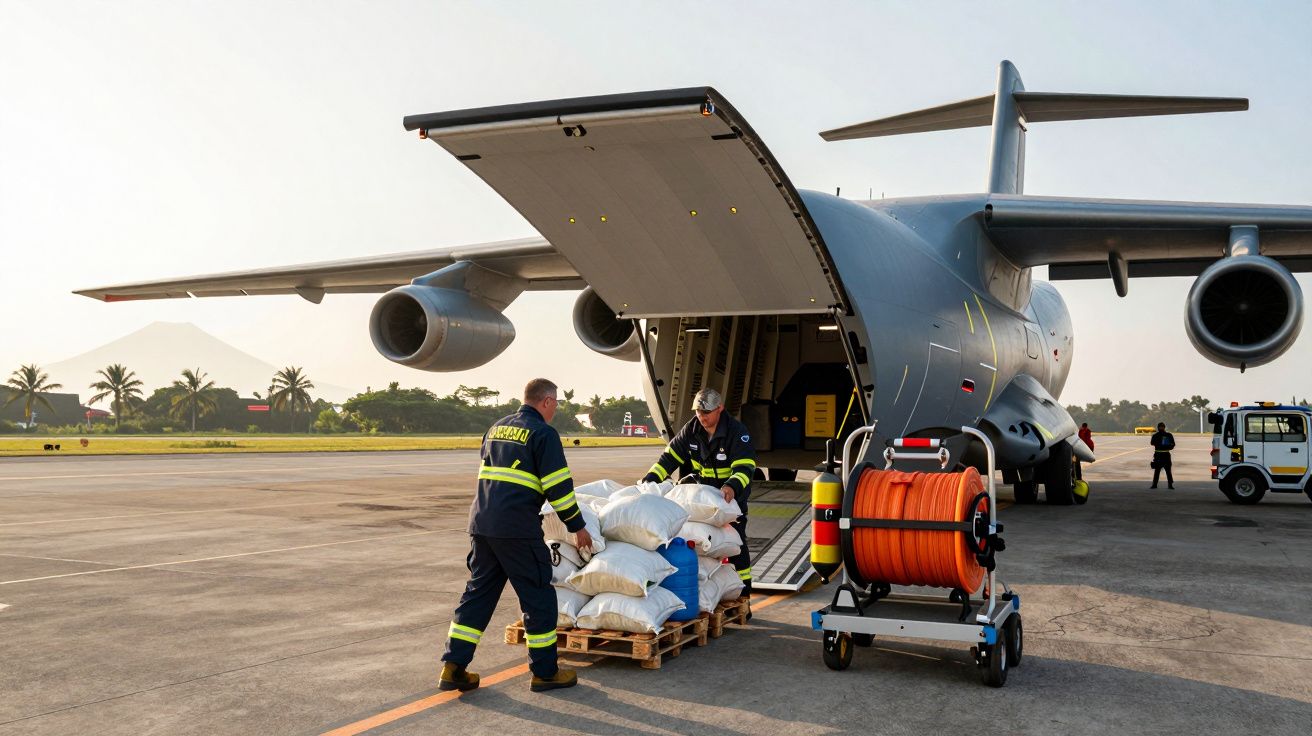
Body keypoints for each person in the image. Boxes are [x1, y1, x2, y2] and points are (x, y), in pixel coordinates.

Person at [439, 378, 593, 693]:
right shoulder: (543, 434)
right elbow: (559, 489)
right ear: (548, 401)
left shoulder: (495, 428)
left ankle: (453, 667)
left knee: (478, 596)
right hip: (517, 529)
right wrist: (577, 527)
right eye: (556, 404)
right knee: (539, 599)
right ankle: (546, 673)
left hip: (482, 525)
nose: (555, 410)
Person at [642, 388, 757, 594]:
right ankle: (710, 592)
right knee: (700, 545)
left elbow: (745, 467)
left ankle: (744, 593)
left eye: (707, 413)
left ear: (720, 409)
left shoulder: (737, 432)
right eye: (698, 412)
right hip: (702, 501)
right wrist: (650, 479)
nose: (702, 417)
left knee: (736, 548)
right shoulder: (691, 429)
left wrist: (732, 486)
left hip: (730, 501)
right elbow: (669, 458)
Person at [1149, 421, 1176, 489]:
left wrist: (1168, 445)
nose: (1161, 428)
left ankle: (1170, 485)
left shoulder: (1168, 435)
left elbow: (1173, 444)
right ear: (1158, 428)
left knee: (1168, 471)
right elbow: (1152, 443)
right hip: (1159, 454)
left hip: (1165, 454)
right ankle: (1154, 484)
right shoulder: (1156, 435)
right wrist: (1160, 442)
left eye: (1162, 427)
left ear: (1164, 427)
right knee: (1157, 471)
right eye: (1160, 427)